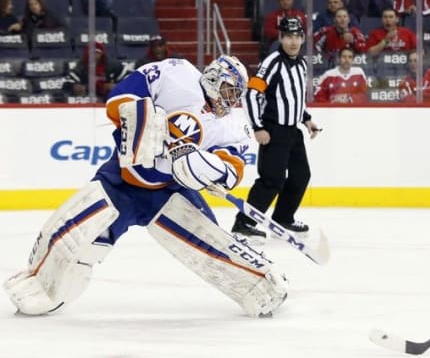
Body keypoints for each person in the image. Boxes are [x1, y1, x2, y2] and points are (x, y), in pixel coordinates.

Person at [4, 55, 290, 318]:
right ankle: (42, 285)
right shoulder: (177, 74)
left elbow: (231, 172)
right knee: (69, 232)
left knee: (213, 245)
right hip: (121, 181)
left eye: (236, 95)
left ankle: (260, 284)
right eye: (230, 91)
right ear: (214, 78)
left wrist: (202, 165)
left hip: (171, 192)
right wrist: (141, 121)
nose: (232, 100)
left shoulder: (232, 125)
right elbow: (123, 96)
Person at [232, 17, 321, 241]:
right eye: (288, 36)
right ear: (280, 38)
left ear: (302, 38)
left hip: (293, 131)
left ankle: (283, 218)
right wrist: (258, 127)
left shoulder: (301, 64)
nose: (293, 41)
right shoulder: (272, 63)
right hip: (273, 130)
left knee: (301, 176)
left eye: (297, 37)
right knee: (271, 180)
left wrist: (306, 119)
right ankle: (244, 223)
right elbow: (251, 94)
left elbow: (296, 97)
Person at [63, 43, 128, 102]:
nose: (94, 55)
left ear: (102, 53)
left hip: (110, 98)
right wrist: (74, 87)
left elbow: (130, 80)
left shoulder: (113, 66)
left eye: (97, 52)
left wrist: (117, 86)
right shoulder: (80, 67)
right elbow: (67, 83)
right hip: (88, 99)